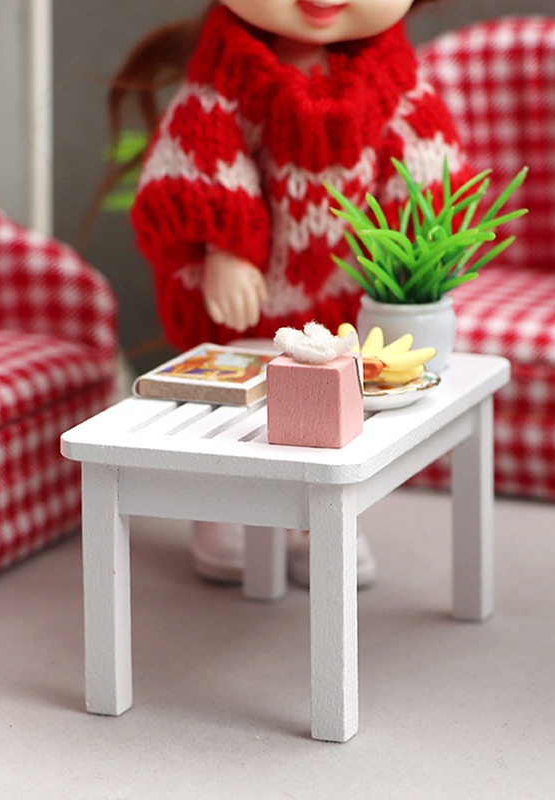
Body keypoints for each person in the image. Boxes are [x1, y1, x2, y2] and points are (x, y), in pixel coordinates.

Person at [108, 0, 472, 587]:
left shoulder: (396, 84)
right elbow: (200, 153)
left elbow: (428, 167)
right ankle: (225, 502)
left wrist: (418, 256)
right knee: (232, 409)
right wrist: (223, 246)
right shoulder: (224, 79)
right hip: (250, 304)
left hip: (350, 297)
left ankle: (321, 517)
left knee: (333, 410)